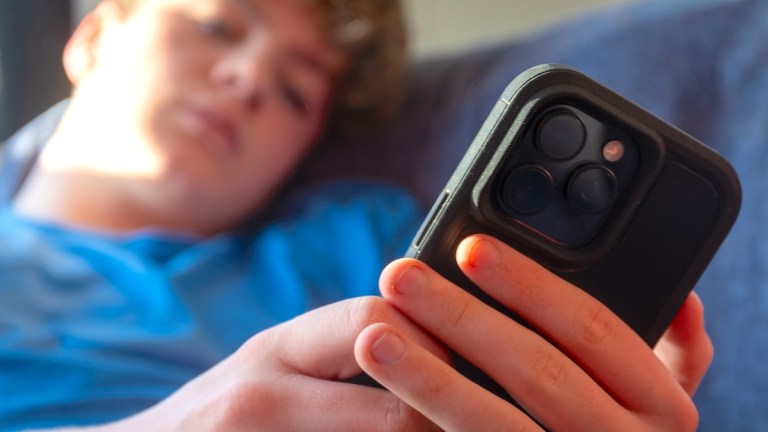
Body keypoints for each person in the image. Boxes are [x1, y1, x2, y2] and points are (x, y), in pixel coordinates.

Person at [0, 0, 713, 430]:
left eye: (294, 92)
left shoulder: (357, 241)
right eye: (218, 25)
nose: (248, 80)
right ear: (92, 37)